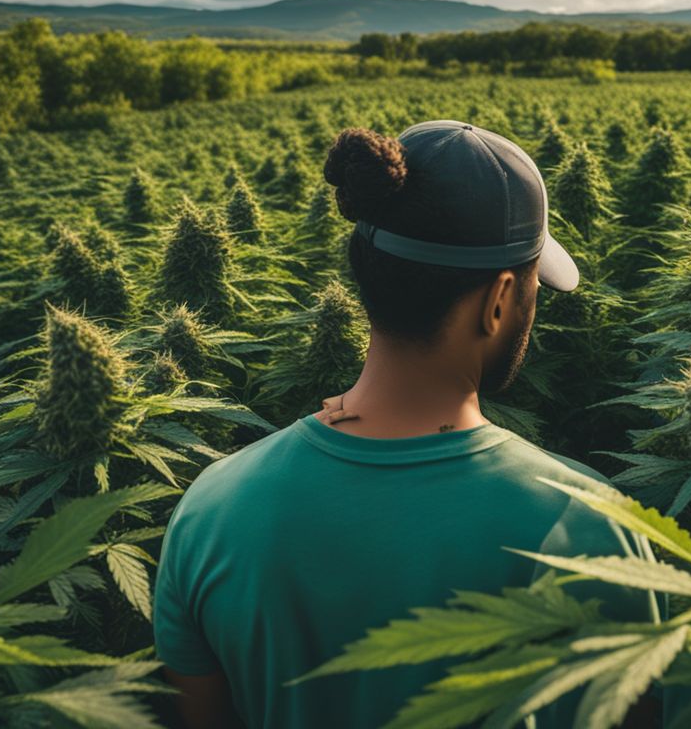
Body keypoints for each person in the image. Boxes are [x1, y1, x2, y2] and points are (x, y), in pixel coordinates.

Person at [153, 121, 654, 728]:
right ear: (499, 300)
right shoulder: (596, 529)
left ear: (367, 269)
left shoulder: (210, 506)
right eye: (530, 288)